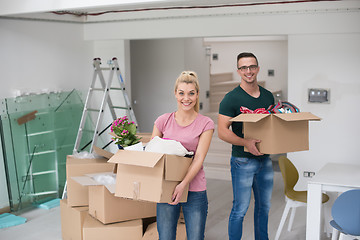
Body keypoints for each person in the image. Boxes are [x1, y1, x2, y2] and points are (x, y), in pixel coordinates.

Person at [217, 52, 275, 240]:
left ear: (258, 68)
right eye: (244, 68)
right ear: (238, 71)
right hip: (242, 161)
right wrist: (245, 143)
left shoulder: (268, 97)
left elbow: (271, 126)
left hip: (265, 160)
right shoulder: (231, 98)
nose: (248, 71)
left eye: (252, 67)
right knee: (240, 209)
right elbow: (222, 131)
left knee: (264, 208)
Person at [151, 71, 214, 240]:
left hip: (194, 189)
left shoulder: (206, 123)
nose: (186, 98)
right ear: (175, 94)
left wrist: (183, 184)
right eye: (181, 93)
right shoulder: (163, 121)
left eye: (191, 93)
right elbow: (153, 154)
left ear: (197, 94)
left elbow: (199, 158)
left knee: (195, 237)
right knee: (165, 237)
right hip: (166, 187)